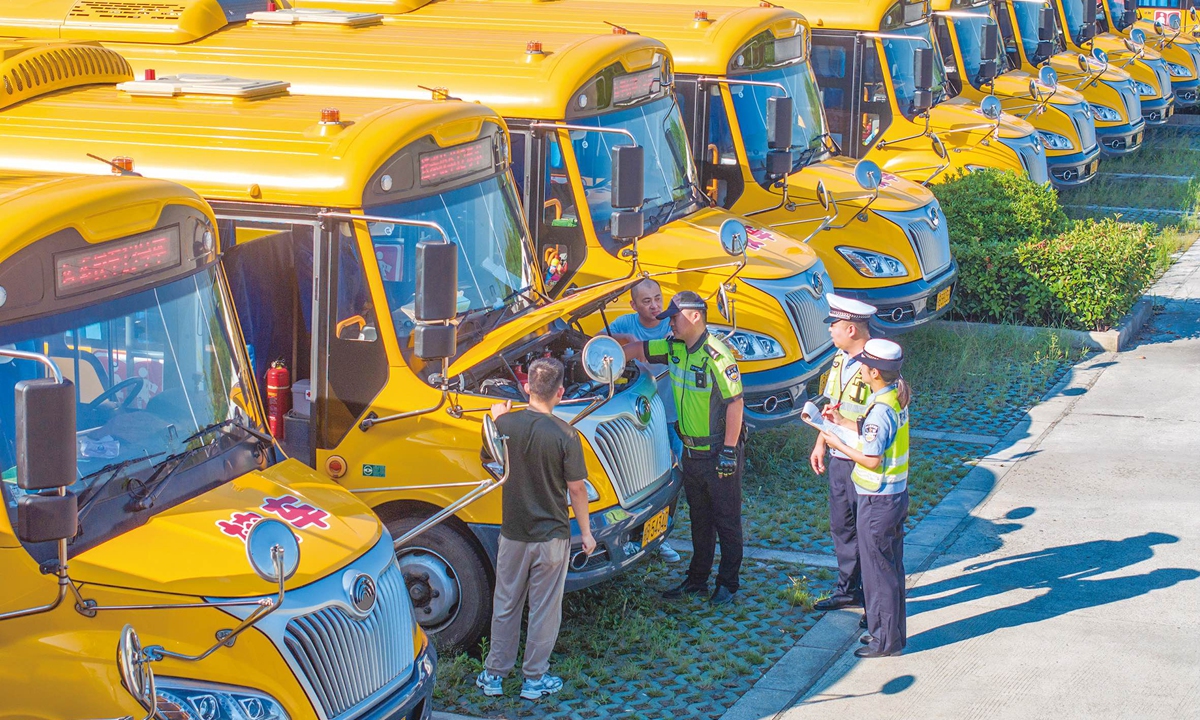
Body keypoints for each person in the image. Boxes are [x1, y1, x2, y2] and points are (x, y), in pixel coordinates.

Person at [476, 357, 597, 699]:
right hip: (552, 536)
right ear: (560, 392)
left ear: (527, 387)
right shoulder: (566, 434)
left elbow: (489, 458)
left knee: (507, 602)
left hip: (513, 532)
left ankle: (494, 675)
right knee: (544, 608)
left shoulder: (505, 424)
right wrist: (586, 533)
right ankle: (533, 679)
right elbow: (576, 489)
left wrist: (497, 419)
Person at [624, 290, 745, 606]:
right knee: (700, 520)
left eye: (674, 318)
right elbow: (636, 350)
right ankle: (697, 579)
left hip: (720, 452)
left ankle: (729, 583)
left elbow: (735, 404)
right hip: (690, 453)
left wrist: (730, 450)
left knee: (727, 521)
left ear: (694, 317)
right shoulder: (674, 348)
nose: (669, 325)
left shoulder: (718, 355)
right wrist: (599, 356)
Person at [818, 338, 911, 658]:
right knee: (891, 568)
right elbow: (874, 433)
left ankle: (883, 642)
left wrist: (836, 442)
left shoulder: (880, 410)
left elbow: (870, 458)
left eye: (865, 367)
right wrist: (842, 421)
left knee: (878, 574)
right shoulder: (892, 398)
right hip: (894, 496)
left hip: (876, 500)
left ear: (873, 372)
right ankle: (894, 635)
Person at [604, 277, 683, 563]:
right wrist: (623, 342)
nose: (655, 306)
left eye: (658, 299)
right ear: (633, 304)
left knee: (675, 480)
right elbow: (596, 346)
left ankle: (663, 536)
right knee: (648, 483)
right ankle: (649, 539)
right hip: (641, 419)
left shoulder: (672, 325)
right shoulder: (625, 324)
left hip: (675, 417)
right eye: (647, 301)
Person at [810, 294, 878, 613]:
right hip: (839, 458)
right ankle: (848, 589)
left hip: (864, 461)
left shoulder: (878, 365)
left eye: (834, 325)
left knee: (868, 532)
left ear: (851, 329)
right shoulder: (839, 358)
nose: (830, 331)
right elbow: (831, 406)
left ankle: (874, 599)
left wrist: (843, 425)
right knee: (843, 526)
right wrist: (821, 442)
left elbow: (884, 415)